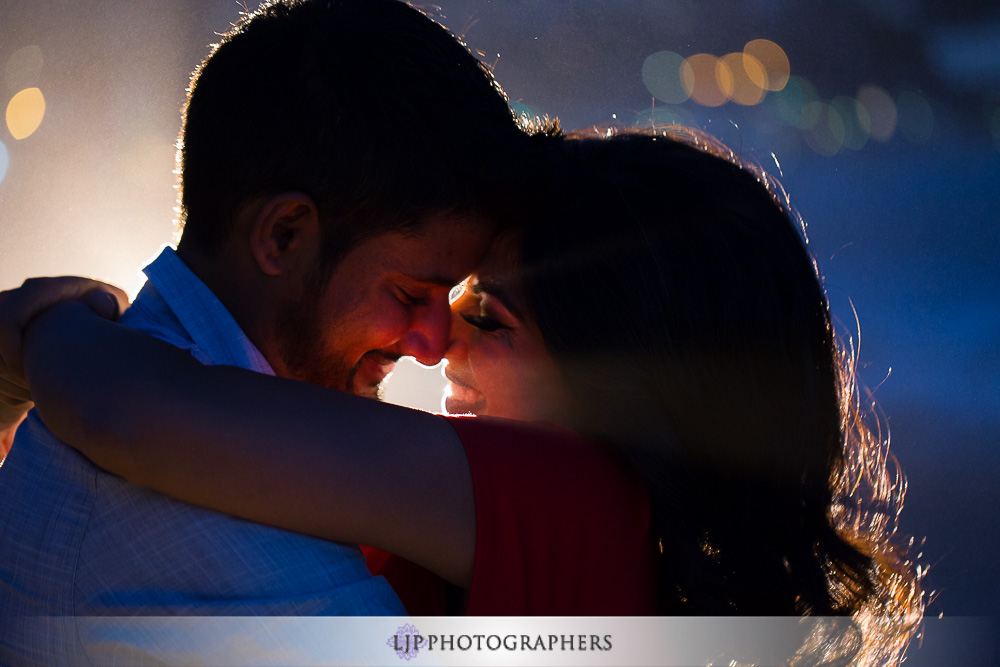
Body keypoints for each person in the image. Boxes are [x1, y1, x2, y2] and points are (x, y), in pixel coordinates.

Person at [2, 128, 922, 662]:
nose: (438, 348)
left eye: (489, 317)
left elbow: (134, 415)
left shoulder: (567, 500)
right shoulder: (613, 551)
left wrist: (50, 324)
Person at [0, 0, 538, 662]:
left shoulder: (78, 414)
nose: (433, 344)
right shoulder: (264, 582)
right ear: (283, 235)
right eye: (409, 294)